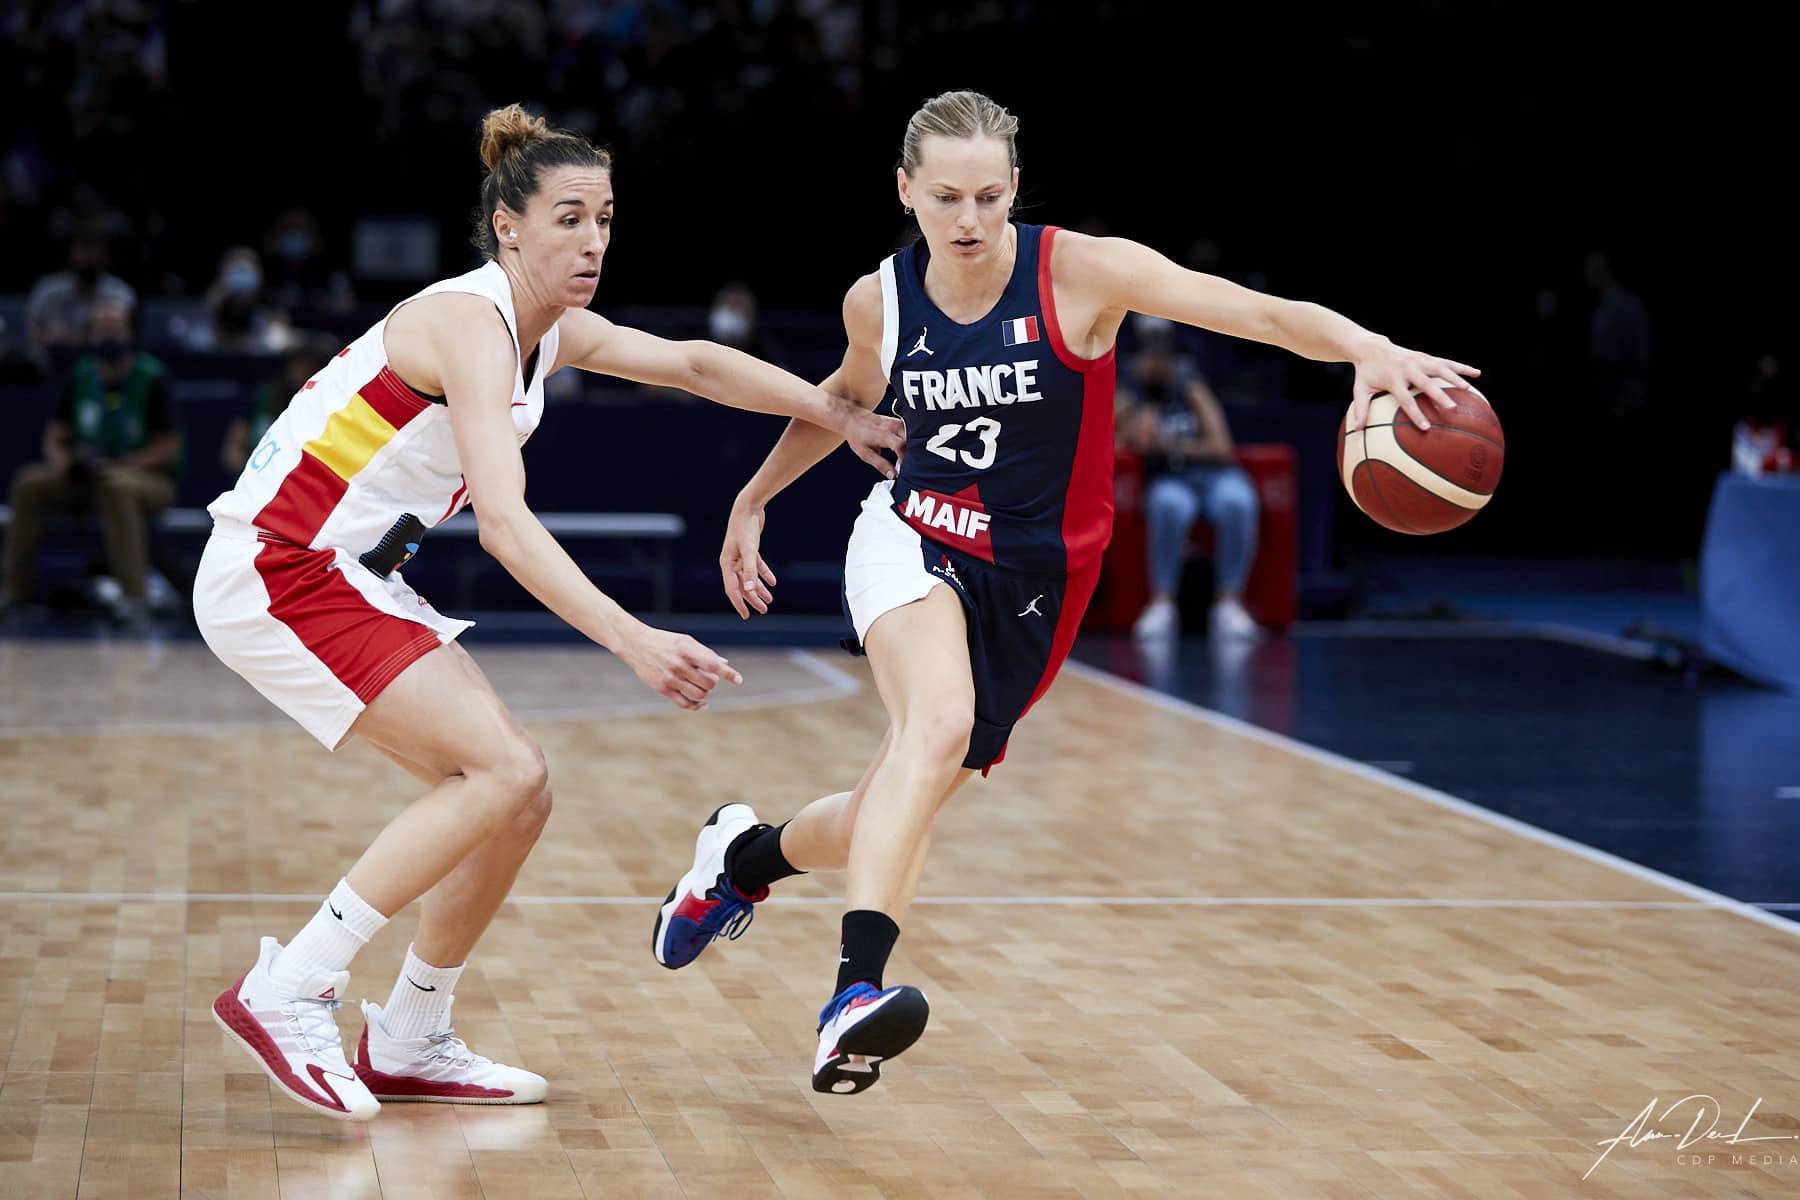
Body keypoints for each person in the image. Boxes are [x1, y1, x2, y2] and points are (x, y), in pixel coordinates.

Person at [651, 90, 1481, 1095]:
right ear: (906, 190)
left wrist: (1366, 349)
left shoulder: (1082, 274)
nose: (968, 219)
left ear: (1014, 191)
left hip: (1043, 586)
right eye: (947, 196)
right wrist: (753, 499)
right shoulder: (881, 298)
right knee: (938, 723)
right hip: (913, 536)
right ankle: (852, 998)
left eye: (989, 197)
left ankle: (741, 861)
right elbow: (845, 400)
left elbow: (1251, 310)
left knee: (887, 809)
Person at [197, 104, 903, 1122]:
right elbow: (506, 528)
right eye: (570, 218)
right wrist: (635, 638)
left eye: (607, 220)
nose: (594, 241)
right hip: (281, 565)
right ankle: (292, 983)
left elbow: (696, 363)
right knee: (503, 769)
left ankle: (409, 1034)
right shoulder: (466, 323)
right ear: (509, 225)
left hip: (344, 574)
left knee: (517, 794)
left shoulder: (550, 331)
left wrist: (834, 411)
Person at [1, 297, 177, 626]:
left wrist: (121, 465)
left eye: (115, 327)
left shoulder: (153, 376)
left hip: (145, 480)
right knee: (29, 483)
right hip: (86, 477)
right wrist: (63, 460)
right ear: (90, 334)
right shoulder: (79, 374)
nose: (108, 334)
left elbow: (168, 449)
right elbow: (54, 434)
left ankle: (135, 599)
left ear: (130, 332)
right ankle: (15, 595)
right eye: (100, 328)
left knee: (117, 486)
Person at [1119, 316, 1262, 640]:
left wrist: (1174, 445)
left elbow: (1222, 446)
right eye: (1147, 356)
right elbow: (1112, 443)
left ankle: (1229, 603)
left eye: (1161, 356)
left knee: (1237, 502)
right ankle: (1162, 603)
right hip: (1168, 478)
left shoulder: (1190, 386)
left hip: (1213, 474)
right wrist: (1134, 429)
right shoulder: (1129, 395)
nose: (1154, 363)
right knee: (1170, 506)